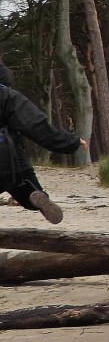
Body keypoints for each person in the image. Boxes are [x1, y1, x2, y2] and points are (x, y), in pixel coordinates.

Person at [0, 62, 87, 224]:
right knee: (27, 188)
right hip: (9, 159)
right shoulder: (8, 96)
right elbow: (37, 126)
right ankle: (36, 197)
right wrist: (71, 142)